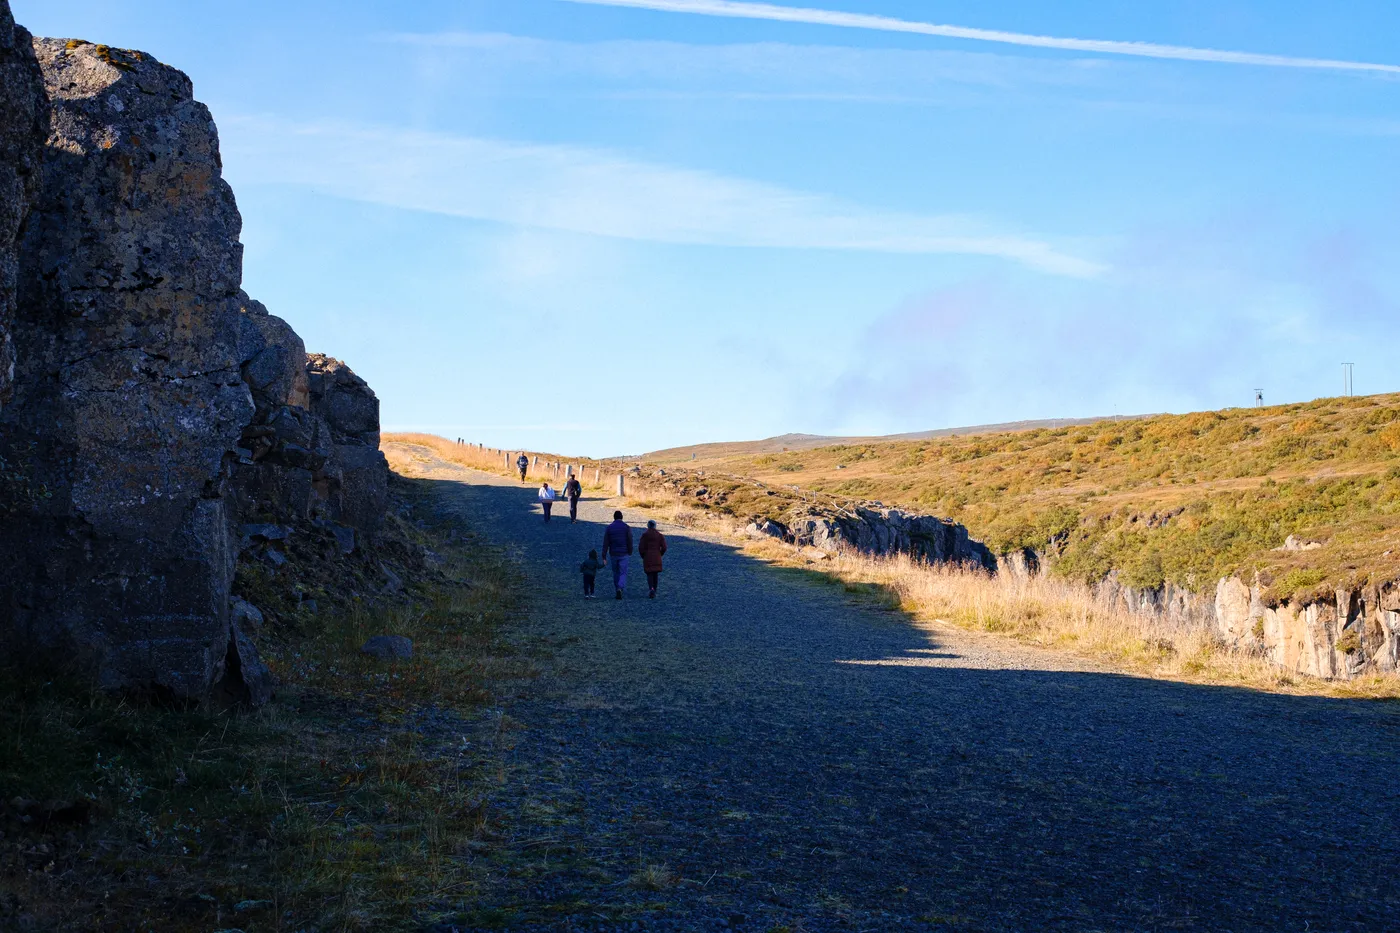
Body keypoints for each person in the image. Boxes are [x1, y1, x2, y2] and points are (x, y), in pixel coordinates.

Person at [600, 510, 633, 599]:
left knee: (615, 572)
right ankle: (620, 587)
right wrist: (630, 551)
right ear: (622, 517)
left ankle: (616, 588)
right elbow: (630, 541)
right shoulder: (626, 527)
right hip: (624, 553)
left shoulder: (609, 528)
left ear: (614, 517)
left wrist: (604, 555)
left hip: (613, 553)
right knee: (623, 572)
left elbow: (605, 543)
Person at [639, 519, 668, 599]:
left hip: (647, 557)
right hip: (657, 556)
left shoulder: (645, 535)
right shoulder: (659, 535)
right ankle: (654, 589)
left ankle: (651, 588)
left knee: (649, 574)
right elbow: (664, 547)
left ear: (648, 526)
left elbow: (641, 548)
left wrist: (643, 555)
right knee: (655, 574)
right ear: (655, 526)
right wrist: (660, 554)